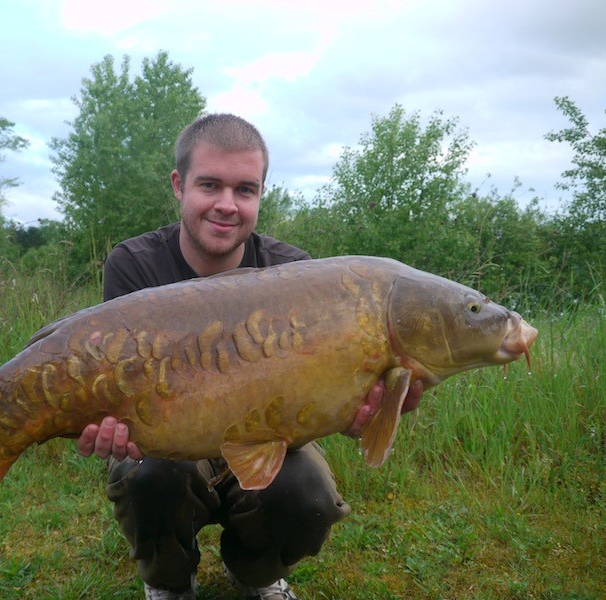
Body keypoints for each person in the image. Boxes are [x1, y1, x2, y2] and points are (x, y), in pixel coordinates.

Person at [76, 114, 423, 599]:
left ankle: (255, 575)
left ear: (261, 193)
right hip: (172, 443)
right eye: (209, 185)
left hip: (268, 436)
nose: (226, 205)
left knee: (309, 494)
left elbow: (318, 396)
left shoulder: (296, 274)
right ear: (179, 185)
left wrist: (357, 412)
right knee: (151, 475)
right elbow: (116, 392)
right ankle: (170, 582)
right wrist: (105, 423)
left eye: (245, 189)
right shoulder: (135, 265)